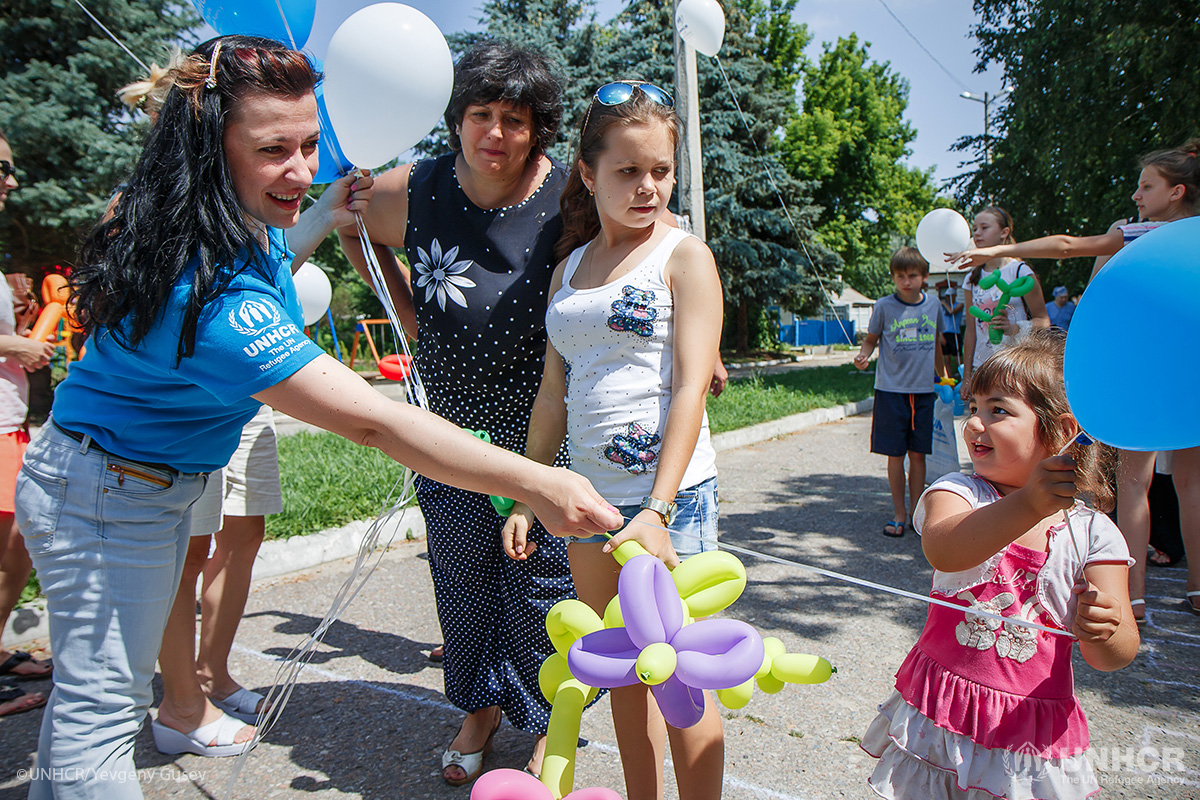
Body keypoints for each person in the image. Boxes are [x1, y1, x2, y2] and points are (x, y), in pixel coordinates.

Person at [13, 36, 620, 800]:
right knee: (95, 725)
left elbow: (278, 256)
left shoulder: (222, 228)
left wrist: (323, 219)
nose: (301, 170)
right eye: (273, 150)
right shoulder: (212, 302)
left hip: (143, 484)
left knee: (104, 702)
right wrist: (537, 481)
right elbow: (375, 422)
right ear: (210, 150)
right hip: (107, 496)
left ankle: (174, 719)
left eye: (308, 144)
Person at [338, 42, 681, 784]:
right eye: (480, 115)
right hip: (449, 421)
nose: (495, 133)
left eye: (516, 120)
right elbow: (351, 227)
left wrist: (694, 344)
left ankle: (541, 721)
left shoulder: (572, 195)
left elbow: (651, 245)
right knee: (461, 573)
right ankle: (477, 710)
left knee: (544, 581)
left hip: (547, 420)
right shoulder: (416, 189)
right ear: (457, 119)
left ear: (540, 130)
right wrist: (407, 313)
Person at [502, 79, 725, 800]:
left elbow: (692, 386)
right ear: (588, 173)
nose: (648, 187)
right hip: (586, 506)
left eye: (661, 170)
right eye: (629, 171)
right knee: (621, 672)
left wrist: (658, 508)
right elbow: (551, 393)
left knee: (682, 676)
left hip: (668, 503)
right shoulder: (568, 270)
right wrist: (527, 492)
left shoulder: (683, 256)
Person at [863, 329, 1139, 799]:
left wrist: (1106, 630)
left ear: (1063, 432)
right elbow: (945, 548)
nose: (974, 424)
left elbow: (1115, 654)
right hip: (944, 711)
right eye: (974, 408)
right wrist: (1030, 503)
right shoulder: (960, 491)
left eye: (998, 411)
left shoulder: (1094, 533)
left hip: (1029, 732)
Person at [951, 139, 1200, 622]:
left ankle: (1133, 595)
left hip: (1139, 369)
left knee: (1134, 481)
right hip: (1184, 368)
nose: (1135, 194)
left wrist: (1004, 247)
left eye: (1146, 186)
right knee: (1191, 484)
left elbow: (1067, 247)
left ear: (1176, 191)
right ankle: (1196, 589)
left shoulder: (1137, 233)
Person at [0, 130, 54, 717]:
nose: (11, 180)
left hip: (9, 420)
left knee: (17, 549)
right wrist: (14, 343)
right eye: (1, 169)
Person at [854, 247, 947, 538]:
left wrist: (943, 377)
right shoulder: (883, 306)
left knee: (918, 456)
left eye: (912, 276)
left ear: (925, 277)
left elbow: (937, 344)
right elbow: (871, 340)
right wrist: (863, 355)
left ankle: (918, 515)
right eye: (900, 276)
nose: (906, 282)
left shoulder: (934, 306)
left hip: (922, 392)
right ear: (893, 278)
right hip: (890, 391)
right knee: (895, 455)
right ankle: (899, 514)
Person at [958, 207, 1050, 401]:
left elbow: (1044, 321)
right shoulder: (971, 279)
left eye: (984, 227)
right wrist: (967, 376)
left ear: (1004, 233)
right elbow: (971, 331)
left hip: (1015, 363)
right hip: (982, 365)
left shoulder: (1020, 272)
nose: (977, 233)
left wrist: (1014, 328)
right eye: (975, 228)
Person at [940, 282, 963, 365]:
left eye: (950, 296)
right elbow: (939, 321)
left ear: (954, 296)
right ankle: (949, 376)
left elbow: (951, 311)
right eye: (946, 296)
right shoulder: (942, 308)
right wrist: (941, 335)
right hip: (945, 333)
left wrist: (944, 304)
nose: (948, 298)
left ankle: (961, 373)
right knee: (946, 358)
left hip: (955, 332)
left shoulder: (959, 305)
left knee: (958, 356)